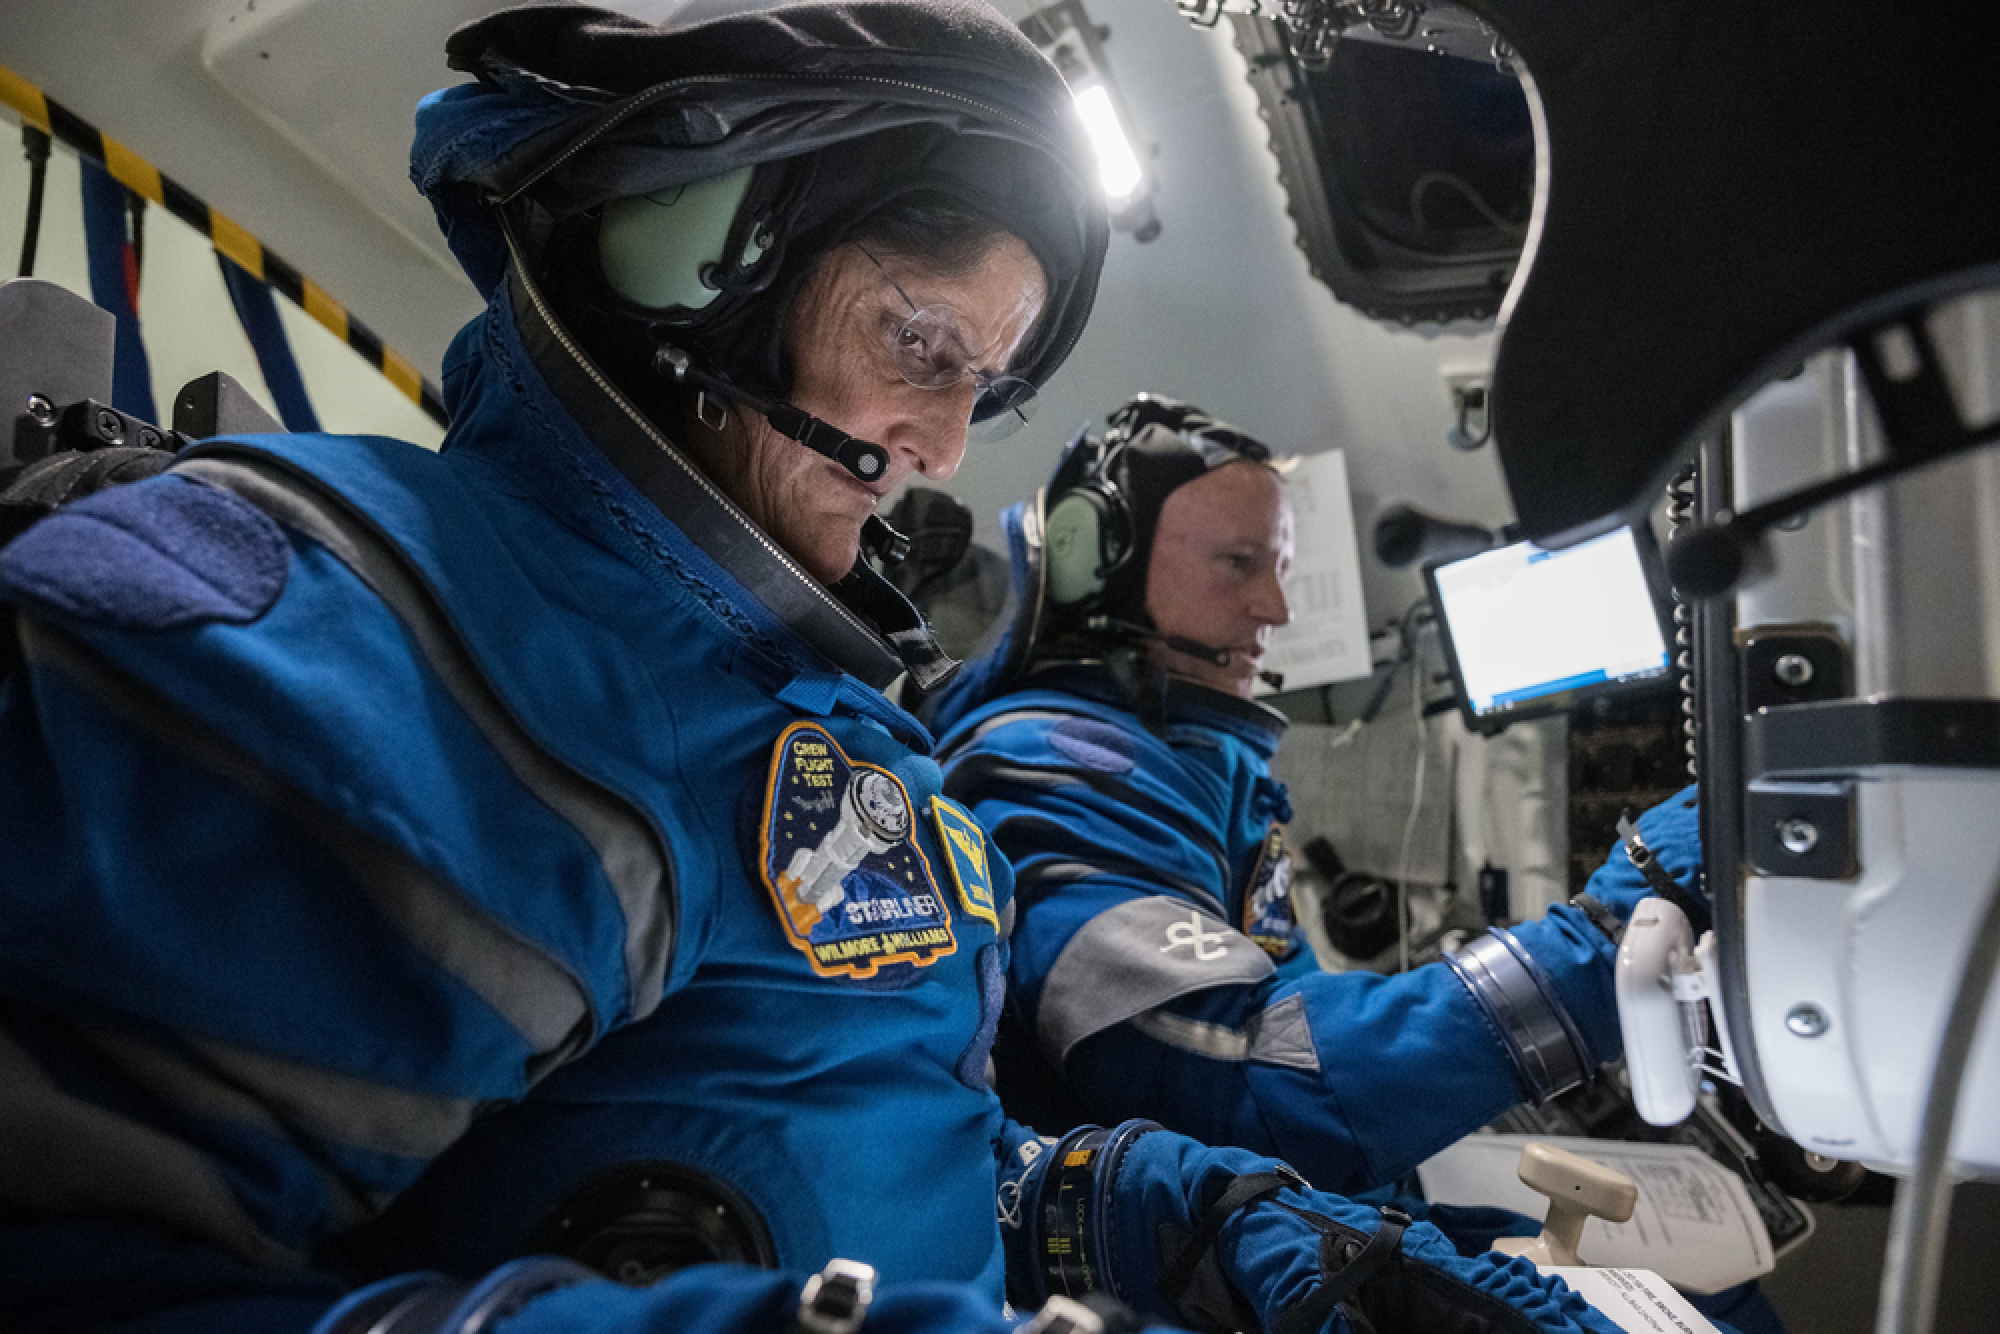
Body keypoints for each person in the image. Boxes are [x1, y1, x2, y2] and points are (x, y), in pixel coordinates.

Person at [0, 7, 1652, 1334]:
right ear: (695, 264)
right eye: (918, 343)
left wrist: (1202, 1214)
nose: (937, 439)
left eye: (978, 383)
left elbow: (857, 1122)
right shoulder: (371, 627)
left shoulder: (805, 720)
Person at [926, 399, 1779, 1334]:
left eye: (1283, 568)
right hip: (1200, 1254)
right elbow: (1246, 1077)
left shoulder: (1186, 758)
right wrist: (1605, 939)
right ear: (1096, 562)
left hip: (1296, 1199)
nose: (1277, 608)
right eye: (1238, 564)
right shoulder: (1055, 767)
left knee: (1714, 1303)